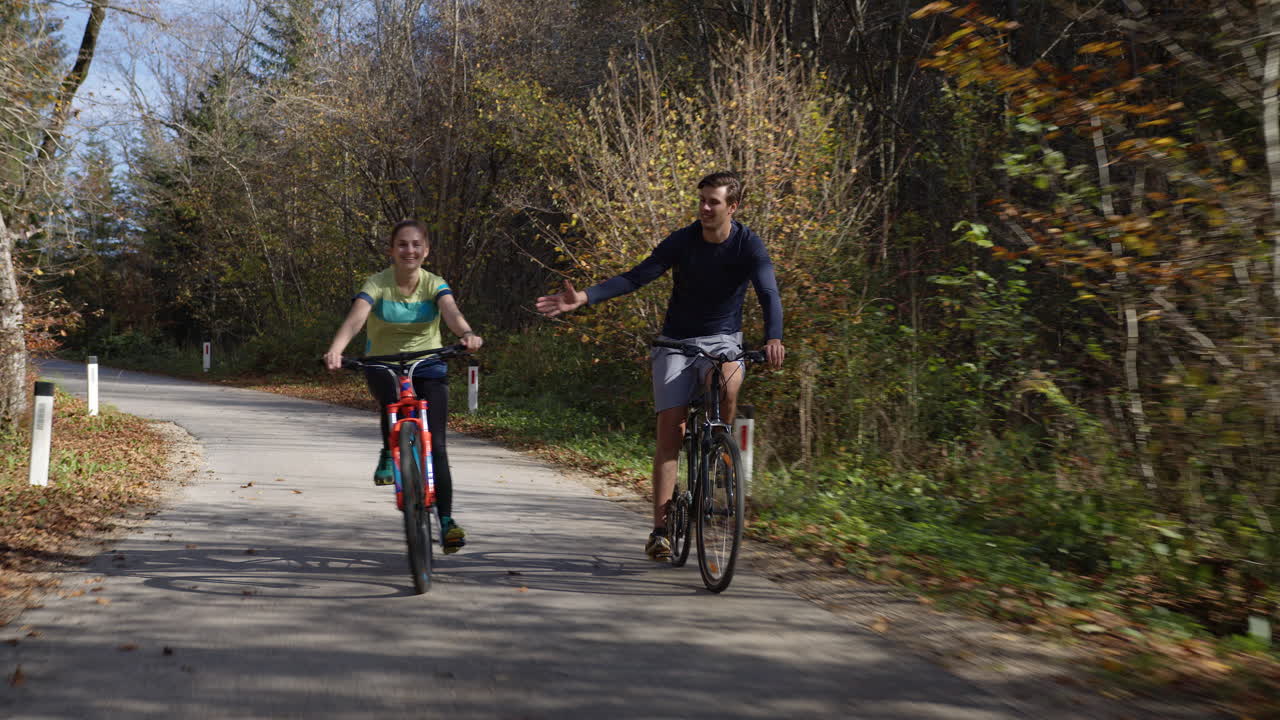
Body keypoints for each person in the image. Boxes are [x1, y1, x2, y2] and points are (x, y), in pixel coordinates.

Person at [535, 171, 785, 561]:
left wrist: (774, 337)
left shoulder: (748, 244)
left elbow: (768, 290)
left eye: (713, 202)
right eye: (701, 199)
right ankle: (661, 530)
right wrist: (583, 297)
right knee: (671, 430)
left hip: (723, 339)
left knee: (729, 380)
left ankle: (720, 446)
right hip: (675, 342)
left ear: (732, 207)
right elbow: (637, 277)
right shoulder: (683, 241)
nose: (704, 207)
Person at [324, 219, 482, 554]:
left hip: (428, 362)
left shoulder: (434, 283)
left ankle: (447, 521)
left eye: (415, 244)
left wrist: (465, 334)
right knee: (390, 403)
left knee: (437, 445)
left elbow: (451, 313)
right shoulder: (378, 283)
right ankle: (388, 449)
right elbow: (356, 319)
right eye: (402, 244)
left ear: (426, 250)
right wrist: (337, 348)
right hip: (383, 362)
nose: (409, 250)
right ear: (391, 250)